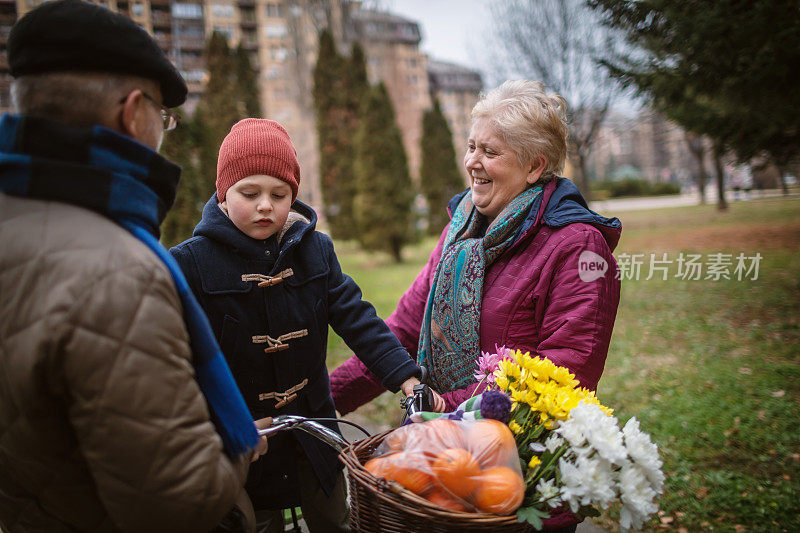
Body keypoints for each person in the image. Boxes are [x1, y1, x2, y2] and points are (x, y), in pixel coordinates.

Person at [0, 2, 265, 532]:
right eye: (164, 118)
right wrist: (240, 448)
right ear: (133, 112)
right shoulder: (119, 273)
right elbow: (176, 503)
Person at [330, 80, 622, 532]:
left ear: (534, 166)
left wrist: (445, 407)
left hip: (522, 483)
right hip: (444, 471)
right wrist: (324, 399)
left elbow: (566, 376)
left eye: (490, 151)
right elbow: (401, 332)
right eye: (471, 147)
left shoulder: (579, 248)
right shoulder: (461, 232)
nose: (472, 163)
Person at [169, 118, 444, 533]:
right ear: (223, 194)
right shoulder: (190, 263)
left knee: (335, 516)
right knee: (253, 522)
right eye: (250, 193)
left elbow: (358, 319)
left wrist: (407, 378)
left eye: (279, 195)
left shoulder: (315, 250)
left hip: (314, 432)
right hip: (244, 441)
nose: (266, 205)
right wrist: (225, 423)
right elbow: (180, 363)